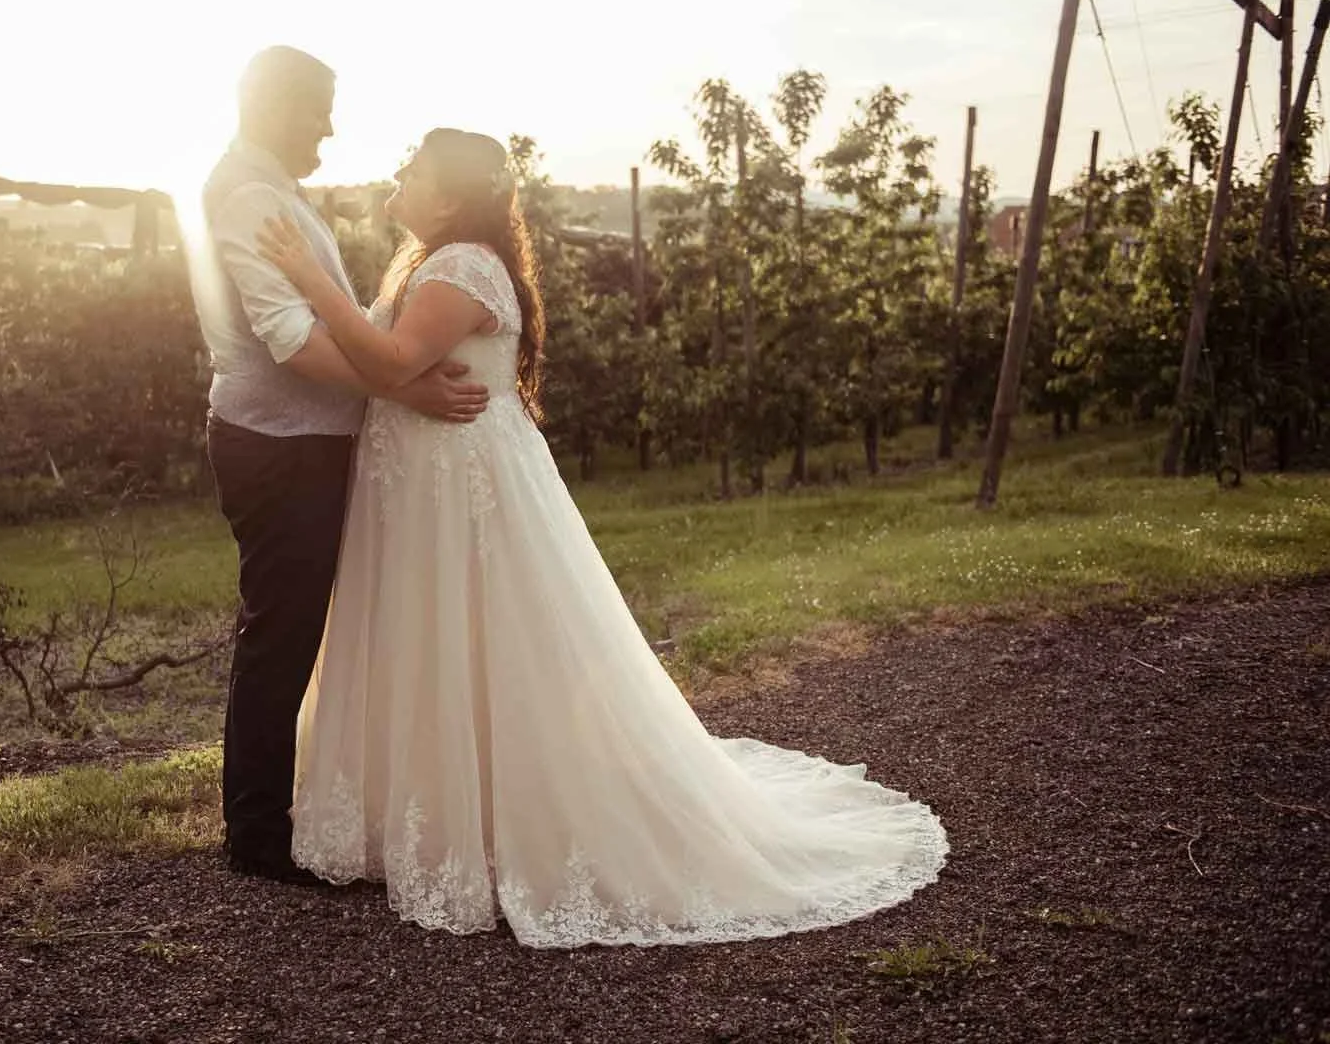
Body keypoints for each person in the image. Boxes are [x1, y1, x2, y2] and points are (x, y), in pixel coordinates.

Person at [257, 127, 948, 946]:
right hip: (420, 488)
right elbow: (391, 368)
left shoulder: (463, 266)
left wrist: (308, 281)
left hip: (460, 494)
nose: (396, 177)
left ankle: (506, 822)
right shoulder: (427, 259)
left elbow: (393, 355)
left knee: (483, 640)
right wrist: (393, 373)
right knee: (430, 641)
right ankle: (433, 814)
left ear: (448, 195)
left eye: (411, 169)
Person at [190, 48, 490, 885]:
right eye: (319, 107)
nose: (329, 124)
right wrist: (403, 383)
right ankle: (253, 833)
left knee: (294, 629)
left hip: (301, 443)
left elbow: (325, 322)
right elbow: (291, 343)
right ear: (273, 105)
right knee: (281, 631)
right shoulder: (250, 195)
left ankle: (276, 812)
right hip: (279, 447)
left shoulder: (269, 189)